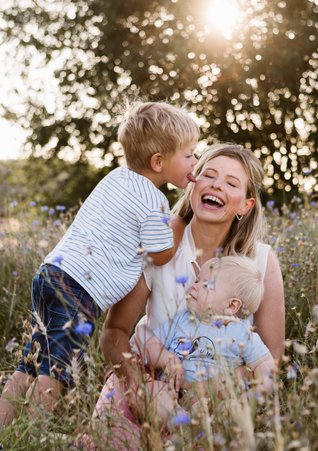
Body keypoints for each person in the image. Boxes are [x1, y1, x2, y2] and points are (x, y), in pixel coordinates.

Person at [0, 101, 199, 427]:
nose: (195, 161)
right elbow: (161, 254)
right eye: (189, 154)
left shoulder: (115, 178)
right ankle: (33, 434)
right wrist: (180, 226)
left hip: (53, 274)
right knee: (57, 369)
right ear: (159, 161)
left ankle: (5, 429)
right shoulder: (155, 200)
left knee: (31, 363)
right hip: (79, 289)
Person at [93, 143, 285, 446]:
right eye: (208, 175)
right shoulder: (156, 246)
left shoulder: (260, 262)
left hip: (219, 396)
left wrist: (217, 386)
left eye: (231, 183)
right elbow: (114, 332)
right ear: (193, 183)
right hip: (147, 381)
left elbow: (271, 358)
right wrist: (138, 390)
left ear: (245, 206)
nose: (216, 185)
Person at [144, 255, 277, 426]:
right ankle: (181, 424)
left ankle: (202, 427)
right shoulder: (181, 319)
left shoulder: (241, 332)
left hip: (214, 399)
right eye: (197, 280)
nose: (194, 286)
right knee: (152, 390)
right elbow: (151, 345)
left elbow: (265, 364)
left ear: (231, 306)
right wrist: (167, 360)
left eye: (205, 285)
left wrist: (256, 393)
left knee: (231, 407)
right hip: (173, 393)